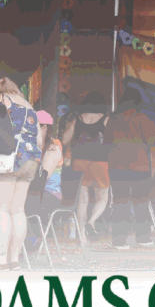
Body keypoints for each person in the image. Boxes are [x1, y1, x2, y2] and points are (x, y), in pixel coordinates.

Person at [0, 77, 41, 270]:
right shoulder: (29, 105)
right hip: (30, 158)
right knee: (18, 210)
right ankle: (14, 259)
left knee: (0, 209)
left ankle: (0, 258)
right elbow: (39, 138)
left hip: (8, 157)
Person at [108, 83, 155, 249]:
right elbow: (151, 139)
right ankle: (143, 238)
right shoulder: (142, 118)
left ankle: (119, 241)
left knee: (119, 202)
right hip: (139, 165)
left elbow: (107, 140)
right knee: (141, 202)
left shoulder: (113, 119)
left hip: (117, 166)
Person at [62, 92, 112, 243]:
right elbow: (113, 140)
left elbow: (64, 140)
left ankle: (82, 236)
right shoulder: (106, 119)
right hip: (100, 162)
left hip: (79, 161)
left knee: (82, 200)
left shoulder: (77, 119)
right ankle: (92, 221)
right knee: (103, 196)